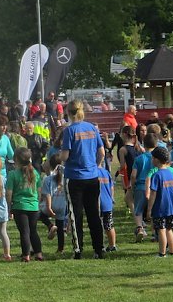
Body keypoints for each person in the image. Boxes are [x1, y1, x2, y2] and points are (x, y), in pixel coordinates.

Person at [60, 100, 106, 259]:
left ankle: (78, 250)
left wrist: (59, 157)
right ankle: (99, 249)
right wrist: (96, 165)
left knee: (75, 216)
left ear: (68, 113)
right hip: (92, 176)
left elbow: (65, 155)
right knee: (94, 214)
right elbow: (102, 152)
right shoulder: (92, 128)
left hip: (74, 177)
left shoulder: (69, 131)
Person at [7, 147, 43, 262]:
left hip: (19, 206)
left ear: (16, 160)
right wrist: (37, 201)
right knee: (33, 231)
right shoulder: (35, 173)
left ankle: (26, 255)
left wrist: (9, 206)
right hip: (33, 206)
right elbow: (39, 190)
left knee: (24, 232)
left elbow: (9, 193)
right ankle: (38, 253)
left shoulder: (13, 174)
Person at [146, 146, 173, 257]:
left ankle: (162, 253)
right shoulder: (171, 173)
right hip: (171, 207)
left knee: (161, 230)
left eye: (152, 158)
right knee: (169, 229)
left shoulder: (156, 175)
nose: (152, 160)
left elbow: (153, 193)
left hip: (160, 208)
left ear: (156, 160)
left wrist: (149, 209)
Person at [41, 154, 68, 254]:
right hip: (62, 205)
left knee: (39, 215)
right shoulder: (65, 177)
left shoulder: (48, 179)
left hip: (51, 205)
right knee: (60, 228)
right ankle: (60, 249)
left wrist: (48, 207)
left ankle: (50, 225)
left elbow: (47, 195)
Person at [97, 159, 117, 253]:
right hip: (108, 203)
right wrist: (111, 198)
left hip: (98, 203)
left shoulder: (92, 172)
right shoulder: (106, 172)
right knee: (109, 225)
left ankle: (101, 246)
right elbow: (111, 187)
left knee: (98, 226)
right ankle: (112, 245)